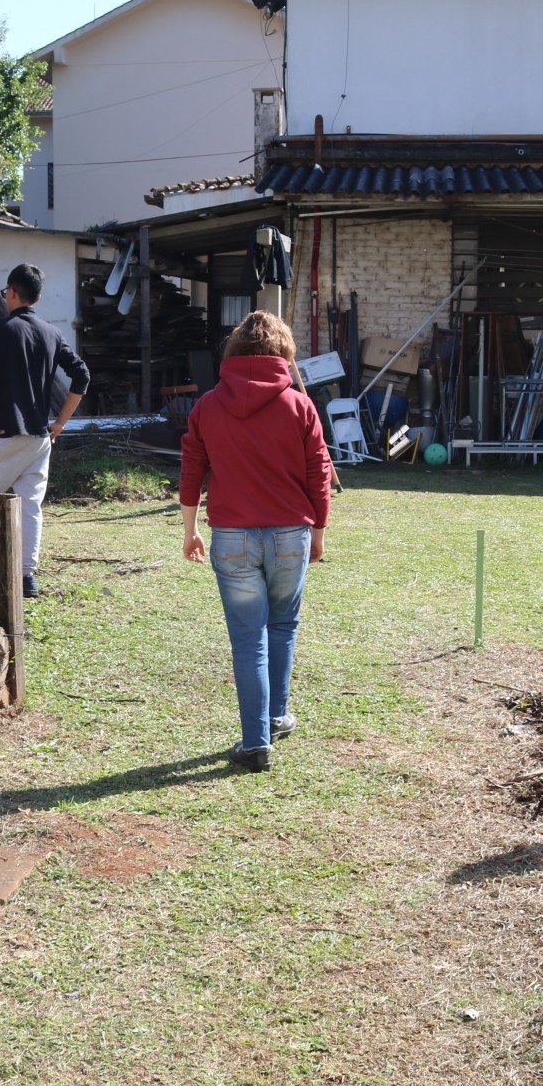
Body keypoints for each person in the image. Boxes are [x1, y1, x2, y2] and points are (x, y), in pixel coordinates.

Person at [179, 311, 333, 773]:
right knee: (283, 625)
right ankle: (276, 717)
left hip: (232, 536)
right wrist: (319, 531)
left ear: (234, 353)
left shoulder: (207, 404)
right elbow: (319, 471)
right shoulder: (299, 405)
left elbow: (191, 470)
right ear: (283, 353)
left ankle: (256, 740)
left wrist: (190, 529)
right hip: (291, 533)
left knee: (249, 640)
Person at [0, 263, 89, 602]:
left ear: (12, 292)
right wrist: (60, 423)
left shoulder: (0, 329)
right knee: (30, 507)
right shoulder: (51, 333)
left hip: (5, 432)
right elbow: (82, 376)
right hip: (40, 438)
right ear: (38, 297)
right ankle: (27, 577)